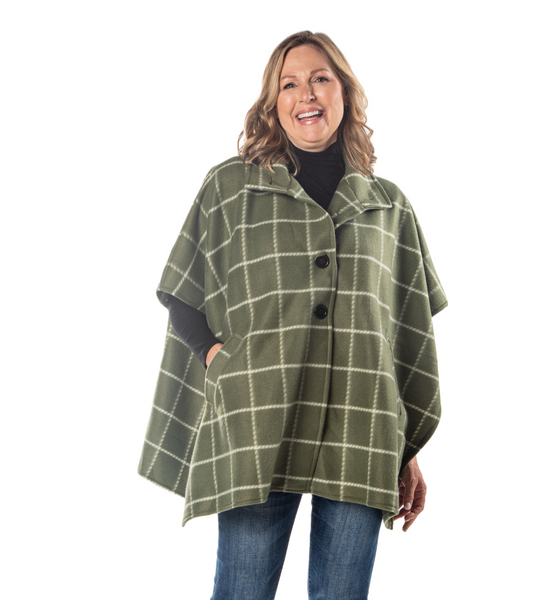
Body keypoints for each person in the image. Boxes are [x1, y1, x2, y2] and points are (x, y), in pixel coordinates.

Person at [138, 30, 448, 600]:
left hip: (361, 429)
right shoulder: (231, 188)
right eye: (289, 84)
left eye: (320, 79)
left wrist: (406, 452)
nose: (306, 94)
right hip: (260, 422)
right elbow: (184, 293)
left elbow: (401, 337)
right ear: (273, 103)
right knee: (242, 591)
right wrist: (220, 362)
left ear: (344, 93)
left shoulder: (389, 206)